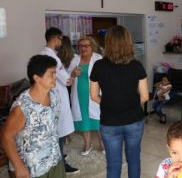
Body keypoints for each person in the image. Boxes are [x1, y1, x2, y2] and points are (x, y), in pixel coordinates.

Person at [90, 25, 149, 178]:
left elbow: (94, 96)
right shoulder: (136, 65)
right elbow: (145, 97)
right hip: (134, 120)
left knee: (113, 164)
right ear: (128, 43)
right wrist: (131, 104)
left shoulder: (98, 65)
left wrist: (110, 102)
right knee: (134, 160)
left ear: (108, 43)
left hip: (109, 122)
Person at [2, 55, 65, 178]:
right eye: (51, 74)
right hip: (32, 168)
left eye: (55, 73)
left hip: (54, 160)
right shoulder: (23, 107)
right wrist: (19, 166)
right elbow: (5, 137)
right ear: (37, 78)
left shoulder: (54, 96)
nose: (55, 77)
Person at [39, 27, 79, 174]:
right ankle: (60, 163)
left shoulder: (41, 54)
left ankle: (58, 156)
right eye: (61, 39)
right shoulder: (53, 58)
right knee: (60, 132)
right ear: (55, 38)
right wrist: (73, 74)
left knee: (55, 131)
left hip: (48, 97)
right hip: (57, 98)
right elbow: (67, 81)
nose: (61, 43)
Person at [67, 36, 103, 156]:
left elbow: (105, 77)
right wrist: (72, 74)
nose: (83, 48)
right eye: (81, 46)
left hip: (95, 95)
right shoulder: (75, 60)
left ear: (92, 46)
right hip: (80, 96)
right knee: (84, 120)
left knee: (99, 120)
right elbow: (67, 80)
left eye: (86, 45)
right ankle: (87, 144)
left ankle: (102, 144)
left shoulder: (98, 59)